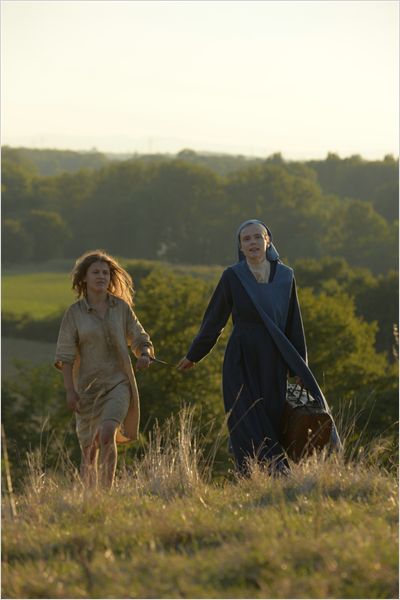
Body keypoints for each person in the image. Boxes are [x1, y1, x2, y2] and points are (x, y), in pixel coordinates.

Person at [178, 219, 339, 475]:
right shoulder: (232, 276)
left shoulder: (286, 276)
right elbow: (215, 320)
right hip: (241, 357)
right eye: (246, 239)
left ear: (268, 241)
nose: (252, 242)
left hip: (274, 358)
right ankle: (264, 473)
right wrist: (194, 354)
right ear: (240, 247)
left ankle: (270, 474)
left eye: (257, 237)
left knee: (271, 417)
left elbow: (293, 324)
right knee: (244, 416)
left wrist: (299, 367)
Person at [55, 250, 154, 489]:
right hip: (86, 389)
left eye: (106, 273)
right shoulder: (74, 314)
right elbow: (65, 356)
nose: (101, 276)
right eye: (96, 272)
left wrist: (144, 354)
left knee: (107, 432)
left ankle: (106, 492)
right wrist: (70, 391)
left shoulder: (121, 308)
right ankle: (91, 497)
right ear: (84, 277)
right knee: (89, 449)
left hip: (118, 383)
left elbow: (139, 337)